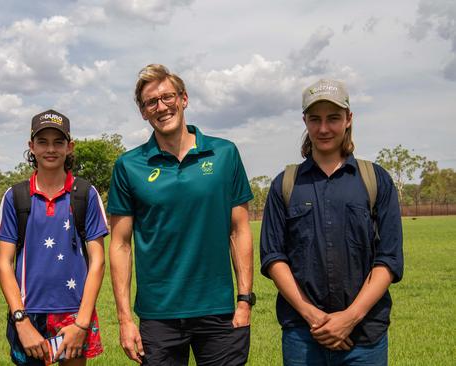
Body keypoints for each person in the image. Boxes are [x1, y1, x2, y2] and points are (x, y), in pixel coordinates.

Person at [107, 64, 255, 366]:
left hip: (219, 311)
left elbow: (239, 230)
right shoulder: (128, 166)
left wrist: (245, 300)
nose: (161, 107)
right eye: (151, 102)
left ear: (183, 98)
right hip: (159, 316)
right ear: (143, 112)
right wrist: (125, 320)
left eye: (167, 97)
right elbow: (120, 244)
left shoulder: (224, 154)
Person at [260, 79, 404, 365]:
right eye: (315, 119)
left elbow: (388, 259)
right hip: (303, 336)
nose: (324, 128)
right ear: (305, 121)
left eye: (333, 118)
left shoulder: (375, 180)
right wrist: (313, 317)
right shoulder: (285, 184)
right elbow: (273, 257)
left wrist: (350, 318)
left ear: (349, 119)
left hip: (365, 338)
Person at [0, 109, 108, 366]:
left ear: (70, 147)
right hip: (28, 313)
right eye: (42, 142)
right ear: (31, 146)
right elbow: (4, 263)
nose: (50, 149)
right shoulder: (15, 197)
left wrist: (82, 322)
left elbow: (98, 262)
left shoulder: (85, 194)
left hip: (73, 312)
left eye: (58, 142)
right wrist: (20, 320)